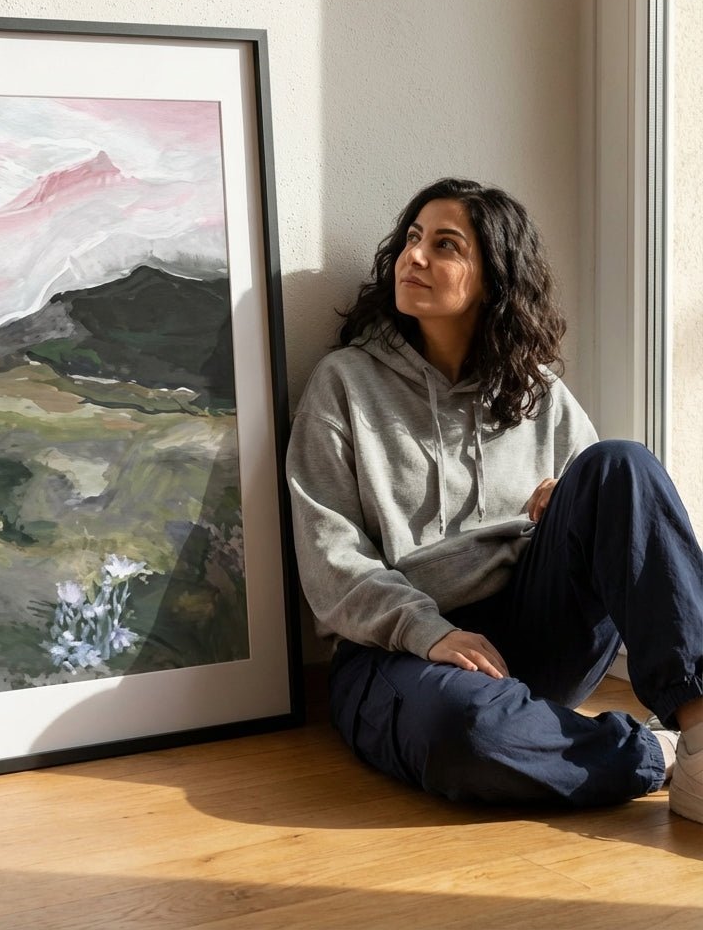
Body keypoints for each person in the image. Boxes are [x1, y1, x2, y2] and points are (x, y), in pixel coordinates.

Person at [286, 176, 703, 819]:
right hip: (400, 650)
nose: (414, 256)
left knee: (620, 464)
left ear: (494, 279)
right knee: (471, 733)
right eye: (413, 238)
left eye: (445, 244)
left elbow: (610, 516)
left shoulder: (538, 392)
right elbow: (330, 559)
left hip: (530, 634)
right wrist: (428, 632)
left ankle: (701, 733)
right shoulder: (344, 384)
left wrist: (559, 507)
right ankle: (654, 752)